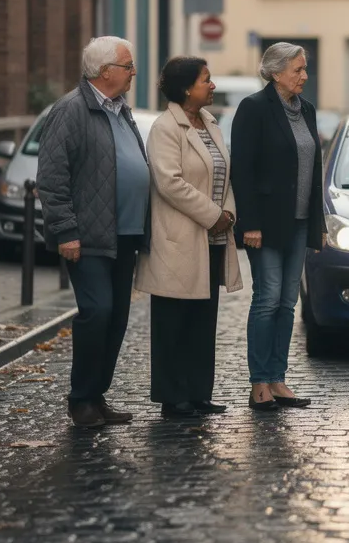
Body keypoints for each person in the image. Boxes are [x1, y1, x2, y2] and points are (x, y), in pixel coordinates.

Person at [37, 36, 150, 429]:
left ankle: (97, 396)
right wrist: (66, 231)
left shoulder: (121, 109)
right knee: (97, 311)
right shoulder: (71, 110)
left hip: (126, 233)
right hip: (87, 236)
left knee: (116, 317)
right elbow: (52, 177)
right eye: (128, 66)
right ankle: (81, 399)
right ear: (105, 72)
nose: (133, 72)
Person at [134, 57, 243, 418]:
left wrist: (228, 214)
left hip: (212, 240)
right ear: (185, 88)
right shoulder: (166, 128)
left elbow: (224, 174)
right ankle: (173, 396)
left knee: (202, 321)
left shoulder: (210, 123)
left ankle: (198, 393)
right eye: (205, 80)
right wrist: (213, 215)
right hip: (178, 241)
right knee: (173, 322)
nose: (212, 85)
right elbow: (169, 183)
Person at [230, 43, 325, 411]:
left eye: (304, 69)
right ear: (275, 72)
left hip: (300, 222)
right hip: (266, 224)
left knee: (288, 302)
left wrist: (317, 222)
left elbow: (313, 170)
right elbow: (243, 169)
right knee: (267, 299)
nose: (304, 76)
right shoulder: (254, 108)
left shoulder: (308, 110)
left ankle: (277, 378)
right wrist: (250, 223)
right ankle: (259, 383)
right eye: (297, 69)